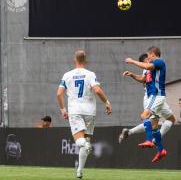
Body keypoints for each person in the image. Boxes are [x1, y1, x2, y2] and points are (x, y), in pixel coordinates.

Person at [56, 50, 112, 179]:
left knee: (81, 142)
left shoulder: (67, 75)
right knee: (85, 141)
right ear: (86, 62)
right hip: (90, 112)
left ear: (74, 61)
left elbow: (59, 94)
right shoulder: (90, 74)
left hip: (75, 111)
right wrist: (107, 102)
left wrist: (63, 110)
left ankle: (85, 146)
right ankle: (80, 172)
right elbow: (97, 90)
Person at [123, 46, 173, 163]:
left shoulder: (159, 62)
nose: (148, 58)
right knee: (157, 125)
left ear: (151, 54)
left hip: (157, 96)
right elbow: (142, 78)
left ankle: (149, 140)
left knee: (144, 116)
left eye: (148, 55)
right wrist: (132, 75)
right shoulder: (148, 68)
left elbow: (147, 66)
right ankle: (161, 150)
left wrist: (132, 61)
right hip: (153, 97)